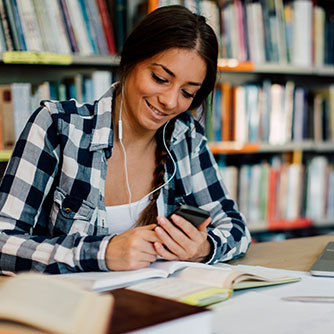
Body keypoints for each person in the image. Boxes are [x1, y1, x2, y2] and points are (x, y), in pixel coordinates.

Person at [0, 5, 251, 274]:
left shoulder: (185, 137)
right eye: (160, 78)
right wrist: (103, 253)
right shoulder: (57, 126)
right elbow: (3, 242)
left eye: (187, 93)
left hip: (158, 306)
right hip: (72, 310)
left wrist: (203, 248)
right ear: (130, 60)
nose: (170, 101)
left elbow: (236, 228)